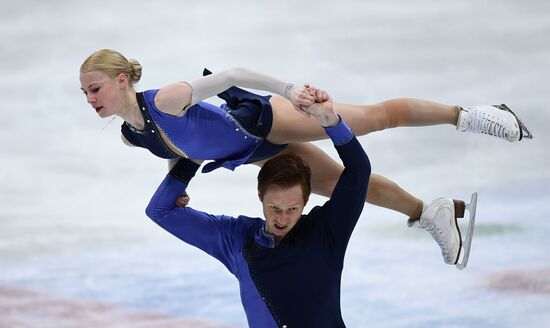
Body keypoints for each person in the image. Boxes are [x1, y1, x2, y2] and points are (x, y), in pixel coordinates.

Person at [80, 49, 532, 265]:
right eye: (85, 93)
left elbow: (233, 74)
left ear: (122, 82)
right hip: (253, 152)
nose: (90, 98)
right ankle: (428, 211)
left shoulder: (166, 99)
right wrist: (179, 183)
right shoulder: (131, 135)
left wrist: (290, 91)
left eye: (95, 88)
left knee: (371, 120)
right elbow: (178, 147)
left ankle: (473, 116)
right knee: (344, 185)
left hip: (264, 121)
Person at [146, 89, 370, 327]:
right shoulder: (238, 240)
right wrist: (192, 160)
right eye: (274, 207)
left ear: (305, 201)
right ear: (260, 196)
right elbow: (160, 211)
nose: (282, 218)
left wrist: (330, 121)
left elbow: (359, 172)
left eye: (292, 209)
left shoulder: (326, 231)